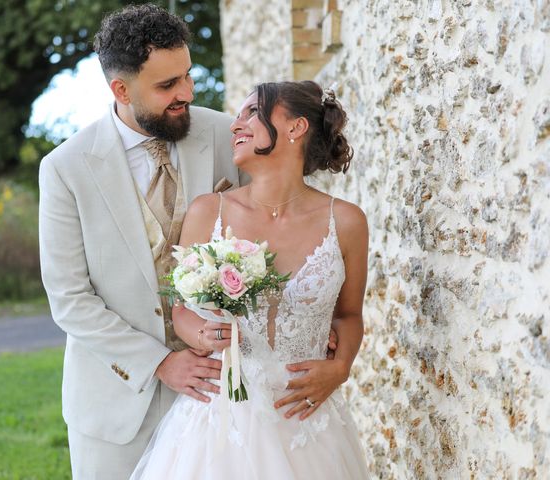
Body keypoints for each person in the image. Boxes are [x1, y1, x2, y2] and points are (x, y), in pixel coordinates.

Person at [38, 4, 245, 478]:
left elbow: (275, 222)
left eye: (188, 76)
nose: (187, 93)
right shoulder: (66, 169)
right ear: (121, 89)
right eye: (167, 85)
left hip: (219, 395)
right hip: (115, 411)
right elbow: (70, 300)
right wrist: (159, 363)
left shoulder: (223, 134)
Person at [131, 80, 370, 479]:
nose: (235, 125)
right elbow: (181, 310)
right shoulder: (209, 212)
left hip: (307, 420)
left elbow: (349, 315)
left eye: (251, 113)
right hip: (220, 423)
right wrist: (202, 335)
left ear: (295, 128)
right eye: (238, 115)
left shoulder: (345, 221)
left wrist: (341, 365)